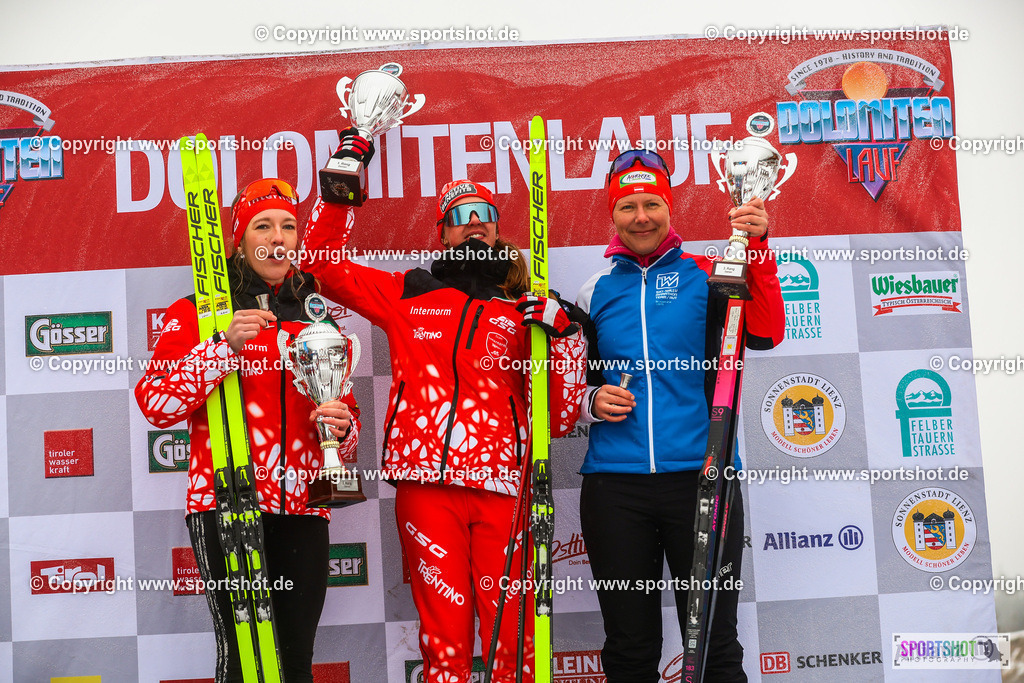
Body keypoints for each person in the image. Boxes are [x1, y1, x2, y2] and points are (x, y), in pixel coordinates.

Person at [300, 133, 586, 683]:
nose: (473, 222)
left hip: (506, 488)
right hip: (426, 489)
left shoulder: (528, 309)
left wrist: (567, 339)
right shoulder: (409, 292)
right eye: (459, 215)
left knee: (514, 645)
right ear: (443, 232)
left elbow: (563, 416)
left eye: (484, 213)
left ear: (499, 228)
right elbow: (320, 263)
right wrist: (345, 174)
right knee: (446, 647)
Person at [135, 177, 361, 683]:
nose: (277, 238)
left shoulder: (316, 319)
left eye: (288, 226)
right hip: (228, 501)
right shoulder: (200, 312)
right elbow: (155, 403)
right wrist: (222, 349)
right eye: (263, 226)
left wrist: (342, 429)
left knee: (296, 661)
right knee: (242, 662)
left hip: (305, 506)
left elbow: (345, 425)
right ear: (239, 239)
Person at [575, 149, 785, 682]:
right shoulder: (594, 291)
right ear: (612, 214)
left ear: (670, 210)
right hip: (614, 487)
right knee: (629, 647)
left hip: (702, 479)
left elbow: (764, 333)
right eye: (628, 206)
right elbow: (571, 380)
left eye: (652, 204)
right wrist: (589, 402)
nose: (641, 217)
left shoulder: (709, 275)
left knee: (714, 642)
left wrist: (758, 248)